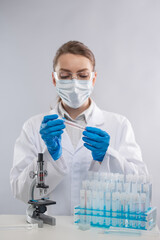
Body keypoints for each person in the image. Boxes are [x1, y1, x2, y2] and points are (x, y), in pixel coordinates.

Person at [10, 41, 148, 215]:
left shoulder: (119, 125)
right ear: (54, 79)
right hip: (51, 232)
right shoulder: (34, 126)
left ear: (93, 78)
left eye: (82, 75)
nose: (74, 83)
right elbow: (21, 192)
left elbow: (139, 188)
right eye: (65, 76)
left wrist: (107, 156)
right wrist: (49, 156)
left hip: (98, 230)